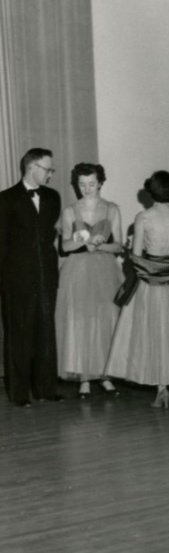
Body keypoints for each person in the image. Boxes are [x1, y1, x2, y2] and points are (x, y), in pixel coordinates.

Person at [106, 171, 169, 407]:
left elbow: (137, 256)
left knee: (157, 334)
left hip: (152, 283)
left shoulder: (144, 217)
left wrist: (130, 247)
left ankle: (162, 390)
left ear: (151, 192)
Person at [55, 162, 124, 400]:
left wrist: (100, 245)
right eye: (82, 184)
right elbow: (64, 246)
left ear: (100, 183)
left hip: (105, 270)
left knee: (105, 321)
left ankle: (105, 376)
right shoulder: (69, 211)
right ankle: (84, 378)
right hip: (77, 271)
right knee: (81, 322)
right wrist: (84, 242)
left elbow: (119, 245)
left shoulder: (112, 209)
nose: (86, 189)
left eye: (92, 184)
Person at [0, 149, 63, 407]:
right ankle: (19, 394)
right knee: (19, 335)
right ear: (31, 167)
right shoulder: (5, 199)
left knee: (46, 332)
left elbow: (50, 236)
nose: (50, 174)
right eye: (48, 169)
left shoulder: (53, 197)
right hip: (16, 279)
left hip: (46, 276)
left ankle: (46, 389)